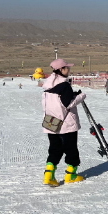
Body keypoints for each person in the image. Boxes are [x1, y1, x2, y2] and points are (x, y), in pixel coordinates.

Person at [41, 58, 87, 186]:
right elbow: (68, 104)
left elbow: (58, 101)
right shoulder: (65, 85)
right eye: (67, 68)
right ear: (61, 70)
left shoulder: (48, 85)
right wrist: (81, 96)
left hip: (51, 122)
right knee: (71, 149)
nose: (69, 70)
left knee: (54, 149)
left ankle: (48, 176)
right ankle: (70, 176)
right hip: (66, 124)